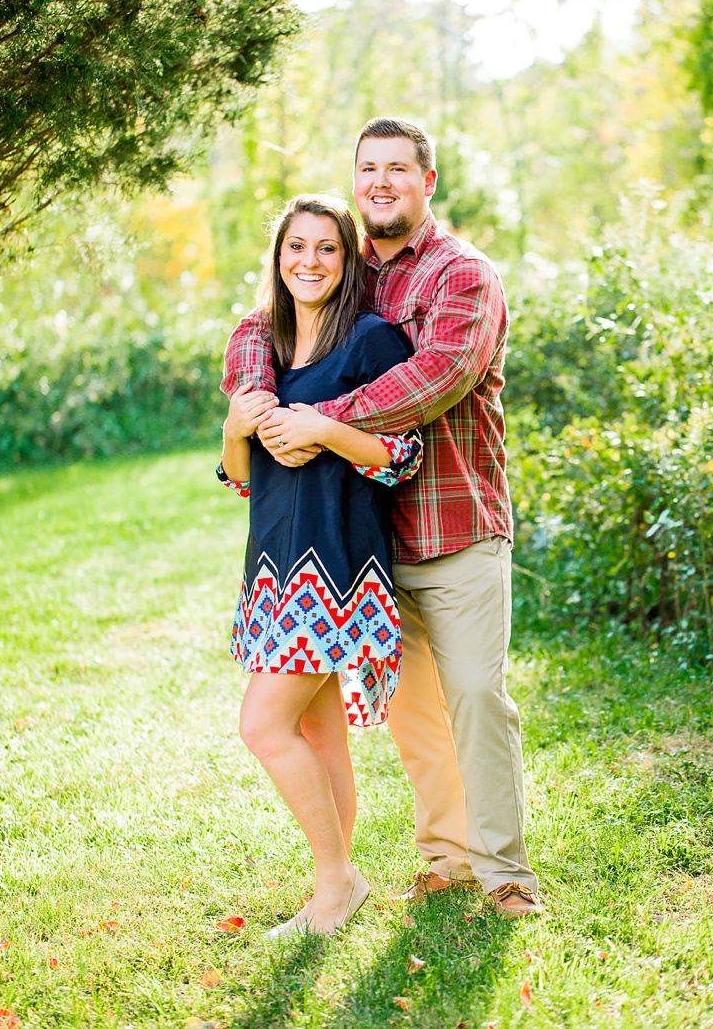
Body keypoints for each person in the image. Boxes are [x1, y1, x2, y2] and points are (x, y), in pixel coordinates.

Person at [223, 117, 542, 917]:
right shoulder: (344, 261)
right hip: (363, 538)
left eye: (398, 168)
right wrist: (255, 399)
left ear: (427, 181)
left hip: (453, 521)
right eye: (369, 168)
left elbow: (434, 380)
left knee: (474, 695)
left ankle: (507, 875)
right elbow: (264, 323)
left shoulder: (463, 274)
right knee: (415, 712)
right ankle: (446, 856)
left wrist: (320, 420)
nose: (381, 182)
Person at [219, 194, 422, 936]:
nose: (309, 261)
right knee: (315, 733)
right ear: (278, 258)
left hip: (335, 567)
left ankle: (338, 884)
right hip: (273, 561)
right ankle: (332, 884)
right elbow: (241, 476)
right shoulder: (262, 351)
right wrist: (234, 426)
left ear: (347, 259)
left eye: (327, 248)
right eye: (295, 247)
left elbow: (402, 458)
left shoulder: (370, 342)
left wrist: (324, 428)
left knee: (263, 725)